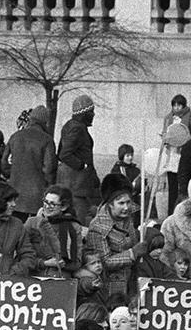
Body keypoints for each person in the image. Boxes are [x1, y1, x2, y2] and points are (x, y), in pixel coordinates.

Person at [81, 175, 143, 310]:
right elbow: (103, 262)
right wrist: (132, 253)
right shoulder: (98, 227)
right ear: (109, 204)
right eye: (121, 203)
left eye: (128, 202)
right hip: (110, 287)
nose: (126, 207)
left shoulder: (128, 218)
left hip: (131, 281)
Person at [4, 105, 57, 218]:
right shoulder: (47, 140)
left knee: (15, 226)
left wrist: (12, 175)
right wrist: (49, 186)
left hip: (15, 193)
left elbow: (4, 163)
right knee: (34, 229)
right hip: (36, 194)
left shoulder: (15, 136)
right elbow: (49, 168)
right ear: (45, 122)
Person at [57, 95, 101, 221]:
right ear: (84, 113)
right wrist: (82, 165)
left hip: (73, 185)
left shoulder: (70, 126)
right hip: (76, 187)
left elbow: (61, 151)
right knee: (77, 222)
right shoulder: (77, 128)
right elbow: (64, 154)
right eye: (91, 111)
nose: (93, 114)